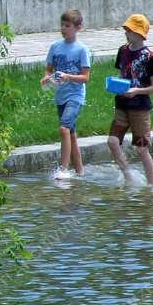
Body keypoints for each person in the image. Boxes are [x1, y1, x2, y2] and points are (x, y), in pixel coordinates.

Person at [107, 14, 153, 186]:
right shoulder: (122, 51)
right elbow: (123, 74)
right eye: (126, 29)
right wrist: (116, 85)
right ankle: (128, 174)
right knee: (112, 141)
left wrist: (136, 91)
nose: (126, 32)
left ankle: (152, 185)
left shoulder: (150, 57)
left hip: (140, 108)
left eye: (129, 30)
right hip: (122, 105)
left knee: (141, 148)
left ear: (138, 33)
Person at [41, 9, 91, 179]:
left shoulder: (82, 50)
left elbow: (85, 77)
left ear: (78, 28)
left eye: (67, 26)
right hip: (60, 96)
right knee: (71, 134)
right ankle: (80, 171)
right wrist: (47, 78)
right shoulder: (55, 47)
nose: (63, 29)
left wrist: (68, 77)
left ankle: (63, 169)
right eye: (62, 25)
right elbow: (49, 69)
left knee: (63, 128)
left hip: (75, 96)